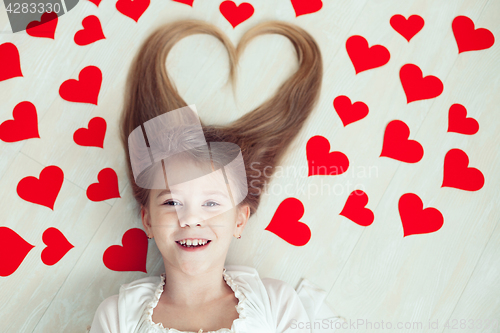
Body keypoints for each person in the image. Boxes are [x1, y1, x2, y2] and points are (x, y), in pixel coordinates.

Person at [87, 19, 346, 333]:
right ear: (148, 220)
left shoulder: (275, 303)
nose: (190, 218)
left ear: (239, 220)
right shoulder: (118, 316)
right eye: (171, 202)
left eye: (211, 203)